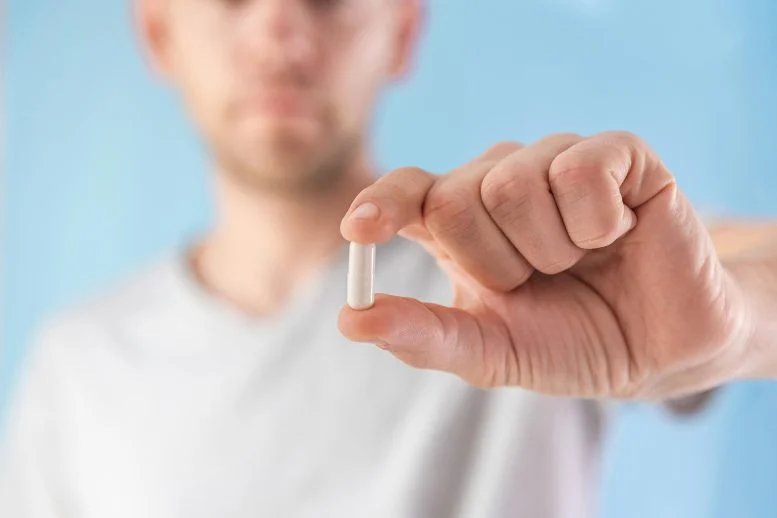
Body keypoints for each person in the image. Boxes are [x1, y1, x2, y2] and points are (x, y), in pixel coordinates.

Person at [1, 0, 776, 516]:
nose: (279, 30)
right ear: (159, 34)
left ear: (400, 34)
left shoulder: (533, 274)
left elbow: (727, 272)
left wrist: (735, 322)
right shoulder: (78, 365)